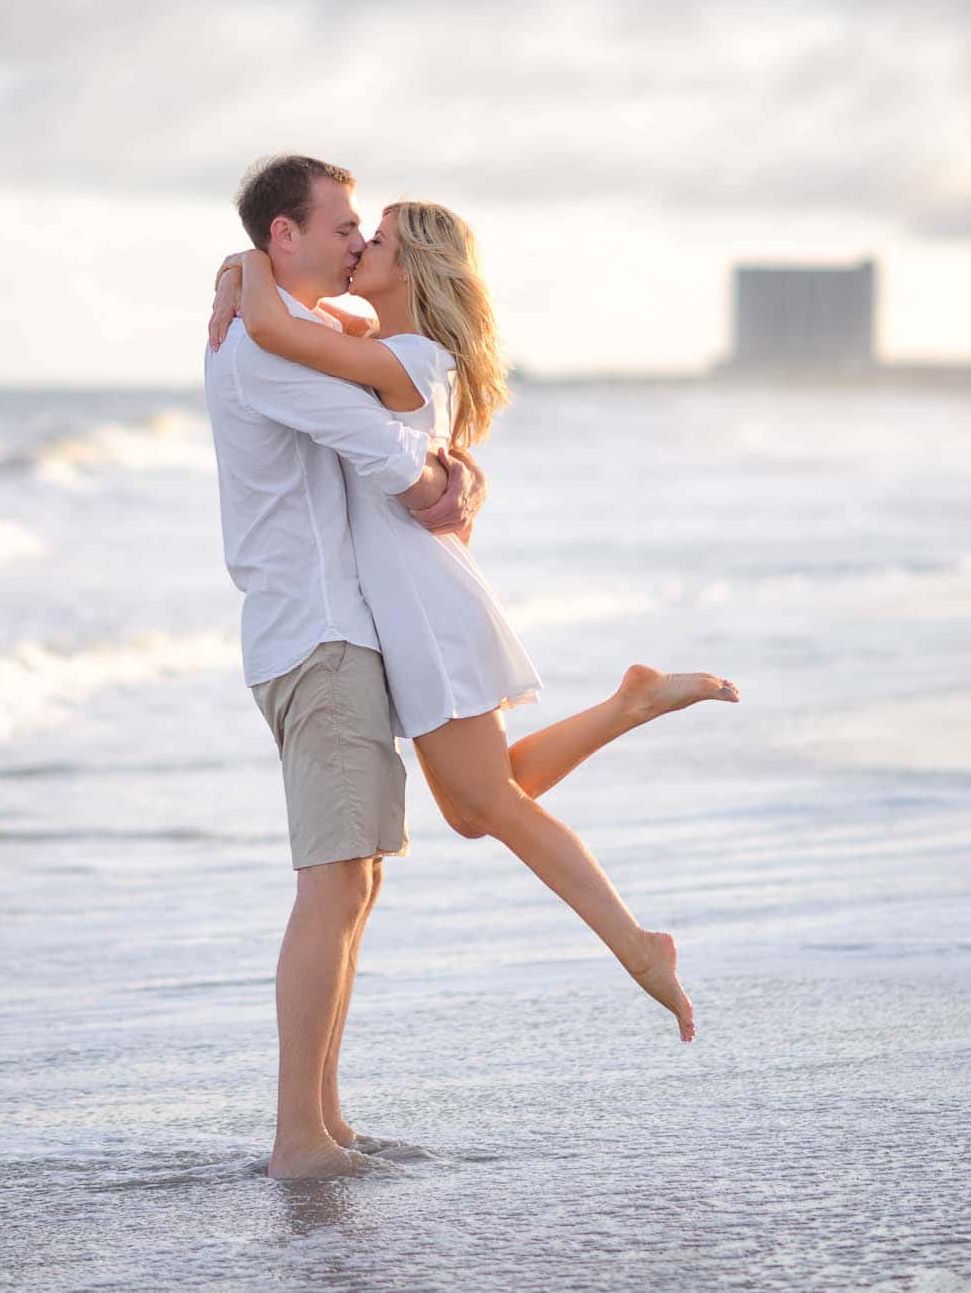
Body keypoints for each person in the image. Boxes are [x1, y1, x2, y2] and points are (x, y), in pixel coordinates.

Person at [208, 192, 739, 1064]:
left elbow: (278, 331)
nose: (357, 249)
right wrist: (255, 273)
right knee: (476, 803)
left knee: (489, 802)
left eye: (373, 240)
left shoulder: (407, 357)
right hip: (414, 598)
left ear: (413, 268)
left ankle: (639, 944)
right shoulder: (389, 351)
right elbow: (304, 319)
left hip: (423, 604)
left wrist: (244, 265)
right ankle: (630, 703)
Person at [203, 155, 483, 1182]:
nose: (355, 241)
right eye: (340, 226)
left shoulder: (283, 329)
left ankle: (325, 1118)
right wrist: (441, 481)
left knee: (354, 881)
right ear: (287, 235)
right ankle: (295, 1141)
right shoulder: (261, 354)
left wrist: (455, 464)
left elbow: (371, 374)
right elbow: (381, 453)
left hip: (327, 637)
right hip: (316, 642)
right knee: (331, 885)